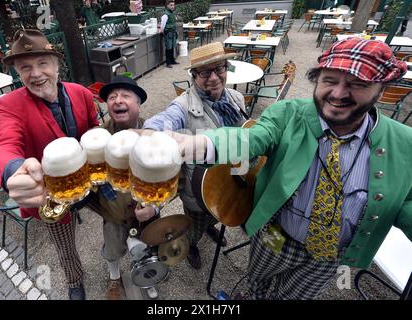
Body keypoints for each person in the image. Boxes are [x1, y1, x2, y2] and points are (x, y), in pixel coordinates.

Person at [168, 38, 412, 299]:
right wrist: (199, 142)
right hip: (276, 235)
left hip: (328, 256)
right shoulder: (287, 113)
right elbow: (251, 138)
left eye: (358, 84)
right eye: (329, 80)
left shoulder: (405, 144)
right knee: (257, 281)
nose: (339, 93)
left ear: (381, 89)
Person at [0, 29, 99, 300]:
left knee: (119, 214)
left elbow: (94, 128)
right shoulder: (9, 105)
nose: (35, 74)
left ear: (57, 65)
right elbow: (2, 147)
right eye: (25, 67)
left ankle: (119, 257)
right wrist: (13, 169)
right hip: (52, 193)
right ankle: (74, 282)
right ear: (17, 73)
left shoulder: (80, 93)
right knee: (65, 246)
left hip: (91, 179)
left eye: (42, 64)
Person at [143, 42, 247, 269]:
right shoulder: (183, 105)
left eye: (219, 68)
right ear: (193, 76)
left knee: (219, 215)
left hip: (229, 181)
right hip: (199, 189)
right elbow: (163, 120)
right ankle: (192, 245)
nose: (214, 77)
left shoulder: (236, 98)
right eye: (205, 72)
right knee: (195, 226)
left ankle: (212, 227)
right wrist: (148, 134)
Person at [87, 75, 159, 300]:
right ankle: (114, 277)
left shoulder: (155, 135)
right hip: (114, 213)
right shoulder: (97, 138)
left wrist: (154, 208)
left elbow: (171, 180)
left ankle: (146, 276)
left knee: (146, 248)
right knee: (113, 249)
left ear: (138, 104)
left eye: (126, 95)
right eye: (112, 97)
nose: (118, 100)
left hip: (144, 213)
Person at [160, 0, 179, 68]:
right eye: (171, 5)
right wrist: (161, 32)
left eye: (173, 5)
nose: (172, 6)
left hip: (173, 32)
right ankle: (168, 63)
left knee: (172, 47)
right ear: (167, 5)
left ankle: (172, 60)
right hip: (168, 33)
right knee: (168, 48)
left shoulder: (172, 13)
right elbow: (162, 25)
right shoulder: (165, 14)